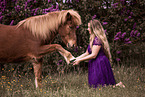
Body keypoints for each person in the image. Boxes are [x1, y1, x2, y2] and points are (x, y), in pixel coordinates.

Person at [72, 19, 125, 88]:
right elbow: (87, 53)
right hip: (94, 64)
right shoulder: (92, 39)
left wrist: (79, 60)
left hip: (100, 64)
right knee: (96, 87)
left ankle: (118, 85)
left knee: (101, 86)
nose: (87, 29)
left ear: (93, 28)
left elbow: (94, 55)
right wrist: (76, 58)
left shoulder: (97, 39)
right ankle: (117, 86)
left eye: (89, 27)